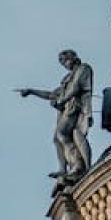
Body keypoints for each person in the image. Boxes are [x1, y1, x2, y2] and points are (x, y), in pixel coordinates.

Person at [17, 49, 93, 179]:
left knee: (62, 133)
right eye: (62, 63)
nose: (64, 64)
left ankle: (78, 164)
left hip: (76, 108)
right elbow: (51, 94)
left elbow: (76, 88)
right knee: (57, 139)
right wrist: (31, 91)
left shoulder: (83, 69)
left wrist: (61, 100)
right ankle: (63, 169)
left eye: (65, 60)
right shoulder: (67, 79)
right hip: (67, 110)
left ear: (73, 57)